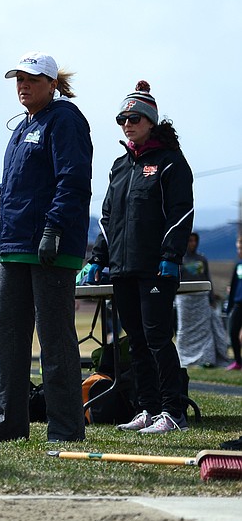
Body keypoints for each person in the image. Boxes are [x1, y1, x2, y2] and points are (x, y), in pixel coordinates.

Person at [0, 52, 91, 444]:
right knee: (6, 330)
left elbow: (73, 179)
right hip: (15, 245)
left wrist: (54, 227)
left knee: (54, 338)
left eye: (32, 79)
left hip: (50, 246)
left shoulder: (65, 119)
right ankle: (9, 423)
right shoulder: (22, 127)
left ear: (52, 84)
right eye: (18, 78)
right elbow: (22, 186)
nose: (23, 85)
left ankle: (65, 429)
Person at [81, 81, 195, 434]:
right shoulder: (120, 166)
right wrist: (97, 258)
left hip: (156, 267)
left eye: (133, 118)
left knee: (157, 337)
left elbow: (181, 212)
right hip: (122, 268)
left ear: (150, 122)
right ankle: (147, 408)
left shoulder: (170, 163)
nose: (127, 124)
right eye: (122, 119)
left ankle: (173, 412)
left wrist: (170, 254)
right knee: (136, 339)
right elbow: (107, 218)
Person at [175, 232, 230, 368]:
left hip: (201, 298)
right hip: (184, 299)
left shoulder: (202, 259)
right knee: (184, 330)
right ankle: (185, 358)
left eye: (194, 241)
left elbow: (207, 278)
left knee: (205, 330)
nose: (192, 244)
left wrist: (211, 298)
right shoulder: (179, 259)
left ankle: (206, 358)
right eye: (189, 241)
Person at [226, 236, 242, 371]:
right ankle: (238, 362)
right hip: (238, 305)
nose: (239, 251)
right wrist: (230, 306)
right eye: (238, 248)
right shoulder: (239, 266)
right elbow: (233, 285)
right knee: (233, 332)